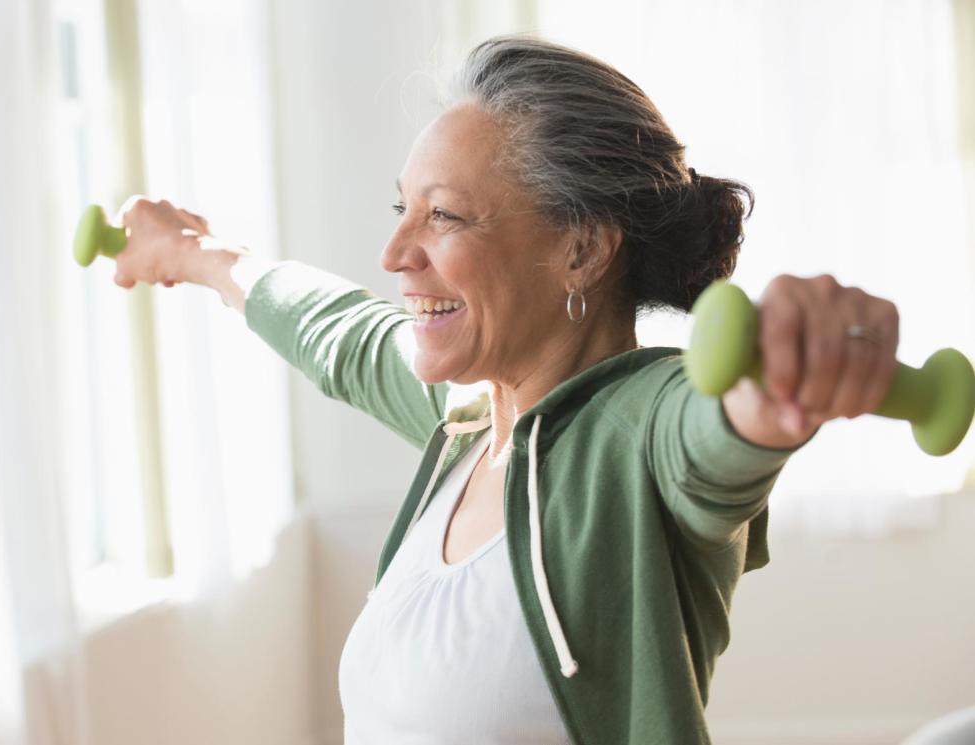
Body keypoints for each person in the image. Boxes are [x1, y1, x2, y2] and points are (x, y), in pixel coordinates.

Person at [108, 35, 900, 745]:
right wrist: (196, 255)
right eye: (402, 207)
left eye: (444, 215)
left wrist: (782, 386)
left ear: (582, 249)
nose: (392, 252)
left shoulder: (636, 433)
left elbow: (713, 433)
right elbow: (338, 334)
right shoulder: (468, 422)